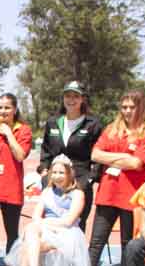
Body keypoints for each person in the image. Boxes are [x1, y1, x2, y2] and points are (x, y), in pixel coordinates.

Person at [0, 155, 91, 266]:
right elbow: (35, 216)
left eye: (61, 173)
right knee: (31, 231)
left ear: (69, 174)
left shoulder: (78, 194)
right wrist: (42, 224)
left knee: (29, 238)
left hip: (67, 235)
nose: (57, 176)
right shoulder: (46, 192)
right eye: (54, 172)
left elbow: (68, 221)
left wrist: (45, 223)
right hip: (44, 232)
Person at [87, 91, 145, 266]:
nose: (127, 111)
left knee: (128, 242)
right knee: (96, 241)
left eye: (132, 107)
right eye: (124, 107)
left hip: (132, 195)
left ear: (141, 108)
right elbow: (95, 155)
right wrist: (125, 156)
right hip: (107, 194)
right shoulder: (111, 129)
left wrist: (110, 158)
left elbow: (137, 164)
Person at [38, 81, 103, 231]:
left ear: (82, 99)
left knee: (76, 226)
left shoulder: (93, 124)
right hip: (53, 181)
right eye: (67, 96)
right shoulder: (53, 122)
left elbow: (99, 155)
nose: (71, 100)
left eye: (76, 96)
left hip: (79, 183)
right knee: (49, 224)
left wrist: (89, 179)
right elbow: (46, 150)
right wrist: (44, 172)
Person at [0, 93, 32, 266]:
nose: (3, 111)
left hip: (12, 191)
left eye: (7, 108)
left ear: (15, 109)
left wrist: (9, 134)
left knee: (12, 234)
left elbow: (20, 156)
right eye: (0, 108)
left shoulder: (23, 130)